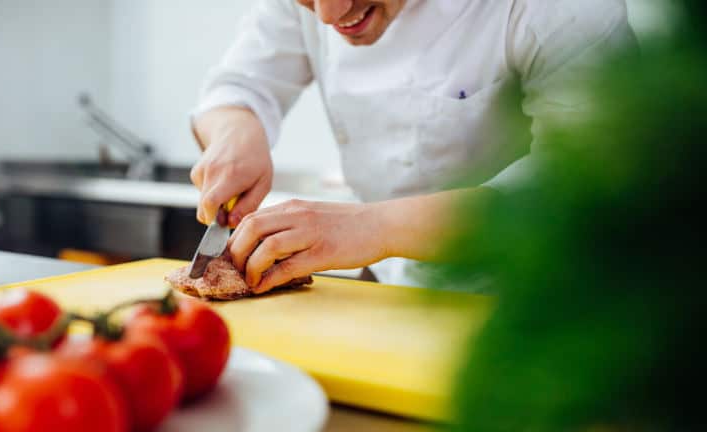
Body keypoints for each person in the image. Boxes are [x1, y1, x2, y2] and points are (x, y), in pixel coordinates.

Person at [189, 0, 635, 290]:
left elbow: (580, 192)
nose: (327, 14)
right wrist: (235, 133)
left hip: (533, 299)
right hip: (391, 293)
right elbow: (238, 85)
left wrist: (372, 227)